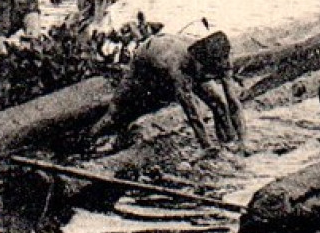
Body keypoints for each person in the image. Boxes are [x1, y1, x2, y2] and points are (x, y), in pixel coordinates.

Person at [92, 29, 247, 153]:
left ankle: (227, 142)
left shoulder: (223, 62)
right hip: (144, 62)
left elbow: (233, 102)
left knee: (218, 102)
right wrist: (207, 147)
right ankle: (89, 140)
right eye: (197, 67)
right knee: (116, 112)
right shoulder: (178, 68)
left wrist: (241, 141)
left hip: (170, 53)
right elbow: (192, 114)